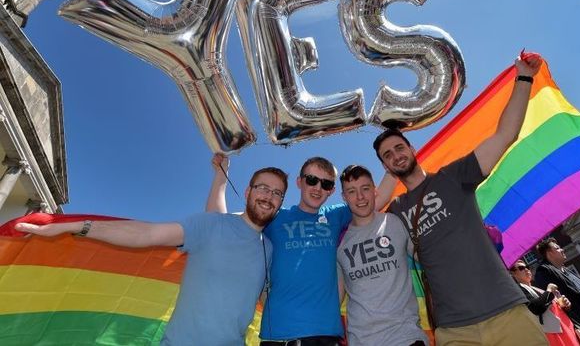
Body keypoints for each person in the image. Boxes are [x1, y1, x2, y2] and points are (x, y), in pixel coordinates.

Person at [372, 53, 547, 345]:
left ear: (412, 149)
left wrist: (524, 77)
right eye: (387, 156)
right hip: (454, 330)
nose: (395, 155)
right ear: (384, 167)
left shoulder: (454, 176)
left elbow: (505, 135)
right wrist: (391, 169)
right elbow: (370, 207)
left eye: (399, 148)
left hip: (506, 312)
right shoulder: (397, 210)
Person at [15, 166, 288, 346]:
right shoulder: (212, 225)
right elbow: (146, 234)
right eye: (263, 187)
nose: (269, 196)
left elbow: (270, 299)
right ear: (249, 191)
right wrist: (76, 226)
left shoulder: (271, 250)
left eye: (277, 193)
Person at [209, 156, 396, 345]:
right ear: (300, 182)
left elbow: (376, 199)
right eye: (312, 180)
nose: (317, 188)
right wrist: (221, 175)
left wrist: (392, 163)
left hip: (325, 336)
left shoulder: (335, 215)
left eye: (326, 184)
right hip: (278, 337)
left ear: (331, 191)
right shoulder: (275, 216)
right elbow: (219, 225)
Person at [337, 164, 429, 346]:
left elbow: (430, 259)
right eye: (352, 191)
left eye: (365, 189)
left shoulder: (395, 221)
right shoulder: (339, 241)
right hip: (362, 341)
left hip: (407, 337)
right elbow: (335, 297)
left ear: (375, 191)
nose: (360, 197)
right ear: (344, 197)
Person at [509, 259, 580, 345]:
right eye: (521, 268)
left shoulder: (535, 288)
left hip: (564, 327)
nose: (527, 269)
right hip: (553, 333)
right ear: (513, 273)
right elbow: (535, 308)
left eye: (527, 267)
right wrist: (549, 290)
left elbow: (551, 306)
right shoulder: (519, 290)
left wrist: (565, 305)